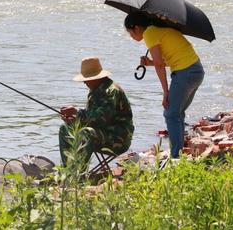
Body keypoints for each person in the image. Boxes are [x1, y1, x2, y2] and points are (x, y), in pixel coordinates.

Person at [124, 12, 205, 159]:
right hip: (196, 70)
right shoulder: (158, 30)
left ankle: (175, 157)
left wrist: (165, 92)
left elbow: (160, 65)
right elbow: (172, 58)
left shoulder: (149, 33)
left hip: (185, 73)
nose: (130, 36)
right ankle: (179, 153)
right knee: (177, 113)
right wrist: (149, 63)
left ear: (136, 27)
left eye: (129, 32)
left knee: (170, 113)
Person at [59, 57, 133, 167]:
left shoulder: (112, 91)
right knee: (65, 128)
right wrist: (74, 120)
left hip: (118, 138)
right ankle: (69, 170)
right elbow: (90, 118)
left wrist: (77, 113)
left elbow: (100, 119)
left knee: (86, 133)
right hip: (101, 133)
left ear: (96, 78)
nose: (84, 82)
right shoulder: (95, 91)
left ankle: (79, 173)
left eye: (86, 79)